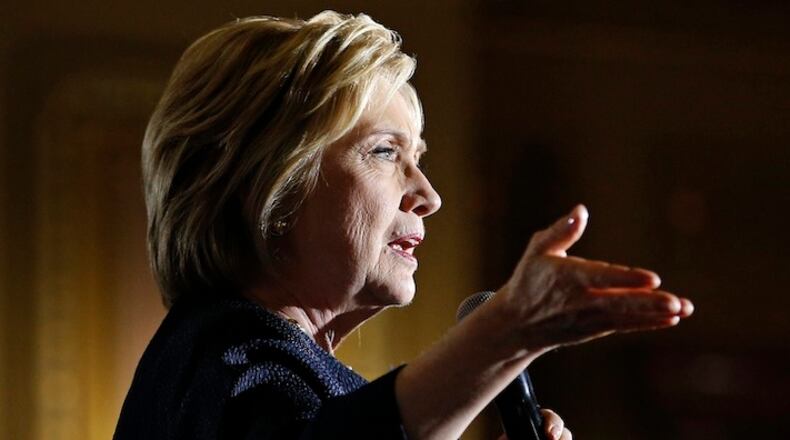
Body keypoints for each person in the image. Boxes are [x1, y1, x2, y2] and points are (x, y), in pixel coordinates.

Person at [113, 11, 693, 440]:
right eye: (386, 153)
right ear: (266, 183)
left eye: (419, 157)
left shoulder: (271, 363)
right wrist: (505, 333)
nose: (429, 196)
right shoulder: (223, 361)